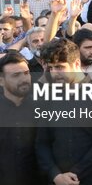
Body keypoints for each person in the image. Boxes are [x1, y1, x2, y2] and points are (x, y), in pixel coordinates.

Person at [35, 38, 92, 185]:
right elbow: (42, 142)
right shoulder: (48, 98)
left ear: (77, 64)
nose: (54, 73)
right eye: (51, 68)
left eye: (60, 67)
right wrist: (55, 175)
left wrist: (75, 173)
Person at [0, 52, 43, 185]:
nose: (24, 79)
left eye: (26, 73)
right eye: (16, 75)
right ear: (1, 80)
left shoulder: (41, 107)